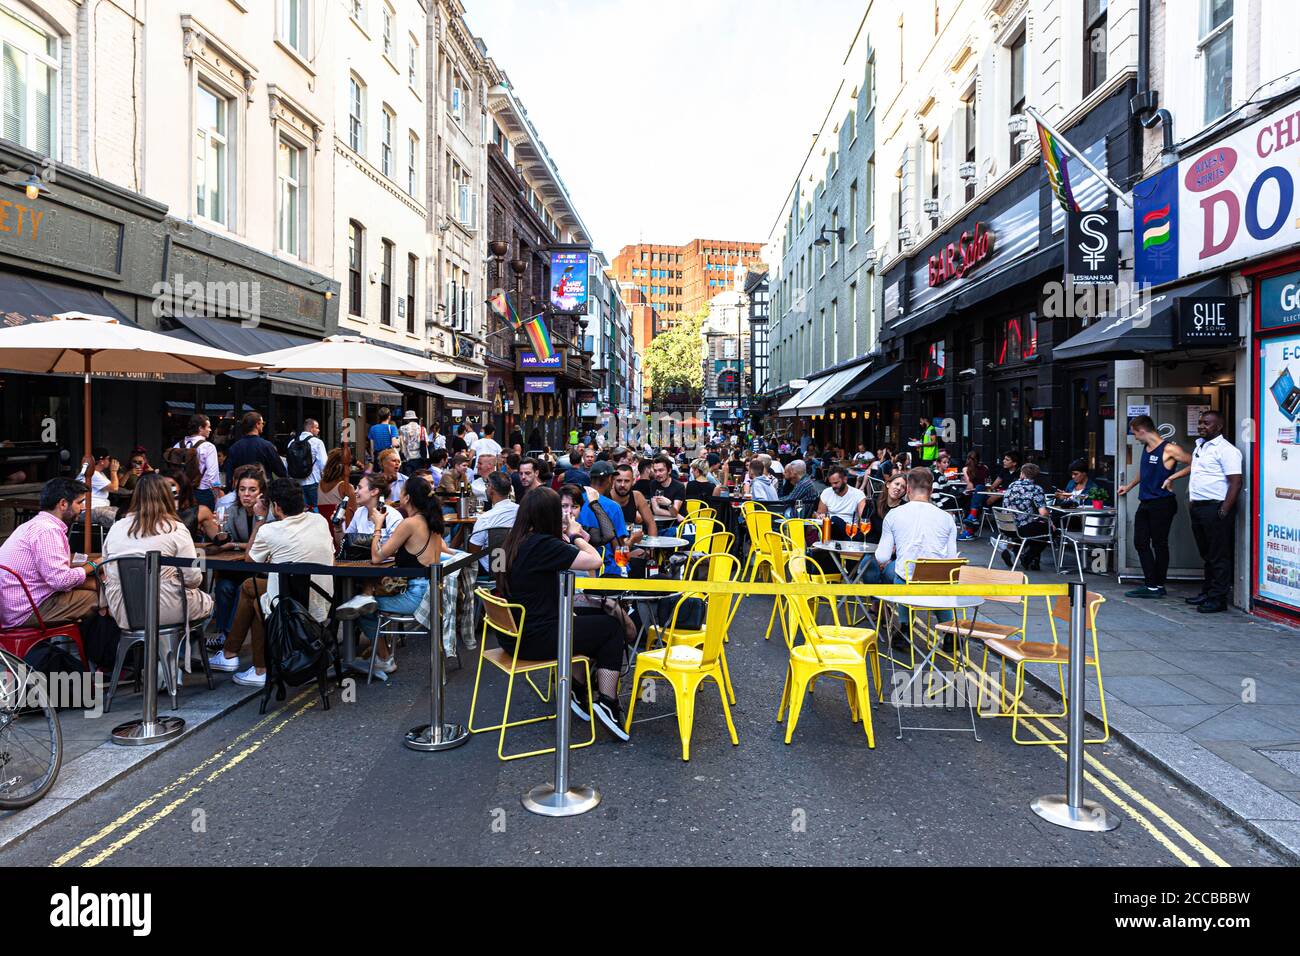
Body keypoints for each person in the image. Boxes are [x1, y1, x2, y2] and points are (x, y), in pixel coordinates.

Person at [498, 487, 627, 738]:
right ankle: (608, 703)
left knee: (581, 618)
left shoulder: (509, 540)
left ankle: (578, 690)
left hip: (510, 635)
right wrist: (575, 535)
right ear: (548, 516)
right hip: (535, 638)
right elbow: (595, 561)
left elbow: (497, 575)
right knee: (612, 628)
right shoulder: (544, 545)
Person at [208, 479, 335, 687]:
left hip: (291, 612)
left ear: (275, 506)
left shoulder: (270, 530)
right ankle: (230, 653)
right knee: (251, 586)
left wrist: (259, 519)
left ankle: (258, 668)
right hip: (321, 603)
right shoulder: (319, 520)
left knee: (257, 600)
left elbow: (250, 559)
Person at [343, 476, 456, 676]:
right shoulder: (432, 521)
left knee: (360, 609)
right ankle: (382, 655)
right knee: (366, 597)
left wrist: (378, 524)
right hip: (432, 591)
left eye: (402, 491)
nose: (399, 494)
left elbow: (377, 557)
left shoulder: (410, 523)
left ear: (407, 498)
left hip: (416, 596)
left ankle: (385, 659)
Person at [102, 473, 214, 634]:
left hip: (124, 610)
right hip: (166, 608)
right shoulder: (176, 528)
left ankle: (156, 652)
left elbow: (108, 571)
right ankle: (174, 652)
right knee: (208, 602)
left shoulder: (116, 528)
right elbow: (193, 579)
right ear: (167, 497)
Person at [0, 478, 100, 635]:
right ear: (63, 504)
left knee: (96, 585)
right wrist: (93, 565)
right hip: (26, 611)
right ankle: (98, 653)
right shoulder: (47, 530)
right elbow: (61, 581)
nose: (82, 508)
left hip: (18, 604)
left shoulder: (32, 525)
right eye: (79, 503)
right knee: (100, 597)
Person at [1168, 410, 1242, 614]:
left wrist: (1224, 510)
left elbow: (1235, 482)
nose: (1201, 426)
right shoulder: (1200, 446)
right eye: (1200, 423)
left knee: (1219, 555)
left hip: (1215, 508)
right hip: (1198, 507)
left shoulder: (1227, 450)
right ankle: (1207, 592)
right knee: (1207, 554)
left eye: (1206, 423)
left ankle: (1218, 599)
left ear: (1219, 427)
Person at [1118, 414, 1191, 599]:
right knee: (1140, 541)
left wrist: (1172, 477)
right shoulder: (1146, 447)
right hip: (1146, 502)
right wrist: (1129, 487)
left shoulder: (1169, 449)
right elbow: (1144, 472)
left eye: (1134, 433)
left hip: (1162, 503)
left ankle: (1156, 585)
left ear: (1142, 430)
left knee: (1159, 543)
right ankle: (1153, 584)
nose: (1134, 437)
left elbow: (1195, 462)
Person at [207, 464, 268, 649]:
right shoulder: (234, 511)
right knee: (224, 586)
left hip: (264, 569)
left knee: (243, 587)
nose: (246, 494)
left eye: (252, 490)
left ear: (261, 492)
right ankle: (225, 634)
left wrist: (234, 544)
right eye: (242, 489)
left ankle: (231, 641)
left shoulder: (270, 513)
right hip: (241, 566)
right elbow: (229, 537)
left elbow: (262, 545)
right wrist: (222, 536)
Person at [874, 468, 958, 583]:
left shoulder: (893, 515)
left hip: (906, 584)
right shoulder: (948, 518)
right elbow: (951, 559)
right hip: (937, 586)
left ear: (908, 489)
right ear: (931, 491)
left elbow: (882, 557)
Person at [580, 462, 630, 576]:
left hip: (578, 562)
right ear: (609, 479)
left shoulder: (575, 502)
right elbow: (620, 547)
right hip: (605, 568)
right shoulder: (613, 506)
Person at [1000, 462, 1052, 571]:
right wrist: (1050, 521)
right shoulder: (1036, 489)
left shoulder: (1012, 485)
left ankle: (1019, 553)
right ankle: (1028, 558)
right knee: (1049, 530)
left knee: (1037, 528)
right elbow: (1043, 513)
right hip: (1022, 529)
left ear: (1022, 474)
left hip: (1006, 527)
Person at [469, 472, 519, 574]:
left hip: (489, 572)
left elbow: (473, 553)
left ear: (491, 488)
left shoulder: (485, 518)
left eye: (487, 485)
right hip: (516, 568)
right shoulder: (522, 511)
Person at [223, 411, 288, 487]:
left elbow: (229, 475)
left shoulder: (234, 448)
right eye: (262, 423)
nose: (263, 425)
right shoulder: (267, 446)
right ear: (257, 424)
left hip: (242, 490)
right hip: (263, 490)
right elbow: (281, 472)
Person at [173, 413, 222, 509]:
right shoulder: (208, 447)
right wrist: (216, 495)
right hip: (202, 491)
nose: (210, 430)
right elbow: (213, 475)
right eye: (208, 427)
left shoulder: (178, 445)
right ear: (200, 428)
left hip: (181, 491)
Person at [159, 467, 220, 542]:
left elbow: (219, 540)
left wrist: (221, 526)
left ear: (181, 487)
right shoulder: (151, 510)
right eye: (162, 486)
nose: (166, 489)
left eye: (171, 485)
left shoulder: (201, 511)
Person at [344, 473, 403, 546]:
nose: (355, 491)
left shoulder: (392, 516)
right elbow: (344, 543)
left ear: (374, 491)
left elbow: (397, 548)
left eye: (359, 487)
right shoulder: (359, 512)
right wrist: (338, 528)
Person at [287, 418, 329, 509]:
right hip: (313, 481)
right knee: (315, 509)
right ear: (311, 428)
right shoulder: (317, 442)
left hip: (296, 483)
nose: (318, 430)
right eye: (317, 428)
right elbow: (324, 464)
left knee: (301, 510)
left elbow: (289, 464)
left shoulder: (291, 443)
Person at [816, 465, 868, 535]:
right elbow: (820, 513)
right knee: (834, 520)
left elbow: (864, 519)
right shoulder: (826, 492)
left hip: (850, 531)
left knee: (835, 520)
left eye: (836, 483)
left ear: (845, 479)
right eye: (831, 483)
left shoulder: (858, 494)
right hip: (830, 529)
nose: (833, 486)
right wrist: (820, 516)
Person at [82, 447, 120, 529]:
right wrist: (113, 471)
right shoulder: (92, 473)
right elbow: (114, 488)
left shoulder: (99, 474)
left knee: (124, 513)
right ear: (101, 461)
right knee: (117, 518)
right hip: (88, 511)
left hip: (100, 508)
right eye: (108, 459)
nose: (109, 461)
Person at [315, 448, 355, 525]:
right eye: (350, 466)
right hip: (340, 530)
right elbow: (354, 515)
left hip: (325, 527)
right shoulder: (346, 487)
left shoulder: (320, 483)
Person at [957, 451, 990, 541]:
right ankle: (971, 521)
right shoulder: (985, 468)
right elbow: (987, 483)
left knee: (971, 500)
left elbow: (970, 486)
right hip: (982, 496)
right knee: (977, 496)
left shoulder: (966, 469)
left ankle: (969, 531)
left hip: (972, 496)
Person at [645, 455, 686, 526]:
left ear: (669, 471)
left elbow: (674, 512)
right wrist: (677, 515)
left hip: (678, 525)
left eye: (661, 470)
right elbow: (656, 510)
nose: (657, 474)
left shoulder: (679, 486)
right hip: (660, 522)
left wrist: (669, 504)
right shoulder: (653, 484)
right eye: (655, 471)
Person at [398, 410, 428, 475]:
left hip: (407, 457)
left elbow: (401, 443)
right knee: (419, 477)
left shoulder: (402, 428)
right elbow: (426, 443)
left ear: (407, 419)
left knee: (408, 478)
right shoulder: (422, 429)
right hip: (419, 456)